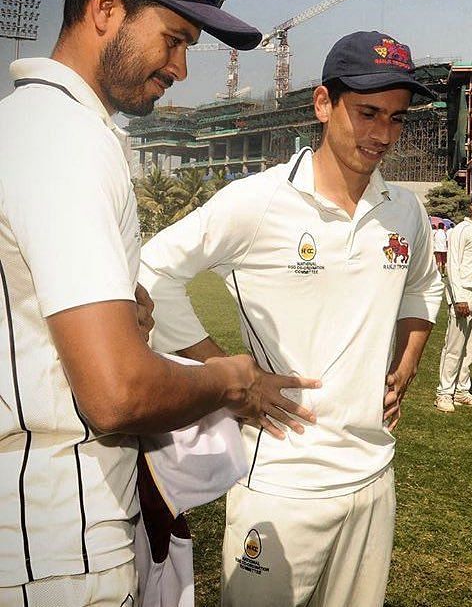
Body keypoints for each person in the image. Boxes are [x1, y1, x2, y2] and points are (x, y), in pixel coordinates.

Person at [0, 0, 320, 606]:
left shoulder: (23, 125)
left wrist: (124, 324)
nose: (179, 68)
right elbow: (117, 394)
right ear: (105, 8)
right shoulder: (65, 138)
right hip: (56, 547)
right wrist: (226, 379)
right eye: (173, 40)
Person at [139, 30, 443, 607]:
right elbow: (153, 271)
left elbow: (423, 288)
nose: (383, 135)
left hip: (375, 476)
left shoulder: (403, 208)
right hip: (281, 483)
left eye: (398, 119)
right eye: (368, 113)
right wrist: (229, 375)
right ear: (323, 103)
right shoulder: (258, 201)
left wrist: (404, 368)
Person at [434, 190, 472, 412]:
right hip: (465, 294)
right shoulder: (461, 230)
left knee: (471, 349)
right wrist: (458, 297)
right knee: (454, 347)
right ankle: (444, 393)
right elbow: (453, 265)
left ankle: (461, 390)